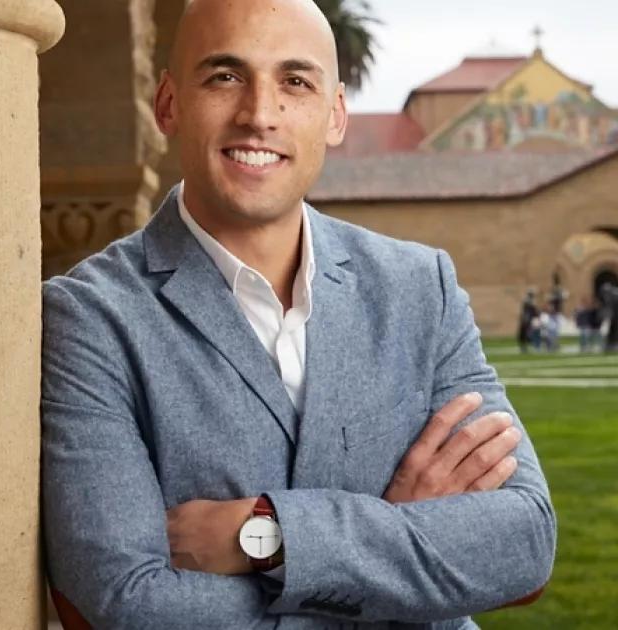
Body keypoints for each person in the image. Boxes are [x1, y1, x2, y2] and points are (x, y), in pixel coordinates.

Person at [38, 1, 556, 629]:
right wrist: (399, 548)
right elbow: (131, 604)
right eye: (224, 77)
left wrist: (268, 537)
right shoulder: (88, 318)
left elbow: (523, 540)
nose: (259, 114)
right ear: (169, 103)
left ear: (334, 113)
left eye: (295, 82)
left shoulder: (422, 287)